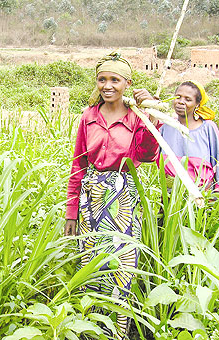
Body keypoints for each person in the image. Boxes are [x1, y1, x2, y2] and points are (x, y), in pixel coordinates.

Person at [64, 52, 162, 339]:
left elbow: (146, 154)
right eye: (102, 79)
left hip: (122, 195)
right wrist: (71, 212)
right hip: (91, 198)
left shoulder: (136, 117)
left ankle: (119, 331)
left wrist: (151, 116)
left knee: (123, 264)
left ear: (127, 83)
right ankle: (90, 330)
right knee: (91, 263)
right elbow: (78, 164)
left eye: (115, 80)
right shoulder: (88, 117)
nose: (107, 85)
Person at [135, 81, 219, 190]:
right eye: (178, 97)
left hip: (202, 195)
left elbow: (217, 159)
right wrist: (153, 115)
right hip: (169, 196)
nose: (181, 102)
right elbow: (147, 153)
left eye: (188, 99)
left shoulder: (208, 128)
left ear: (197, 104)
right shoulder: (165, 126)